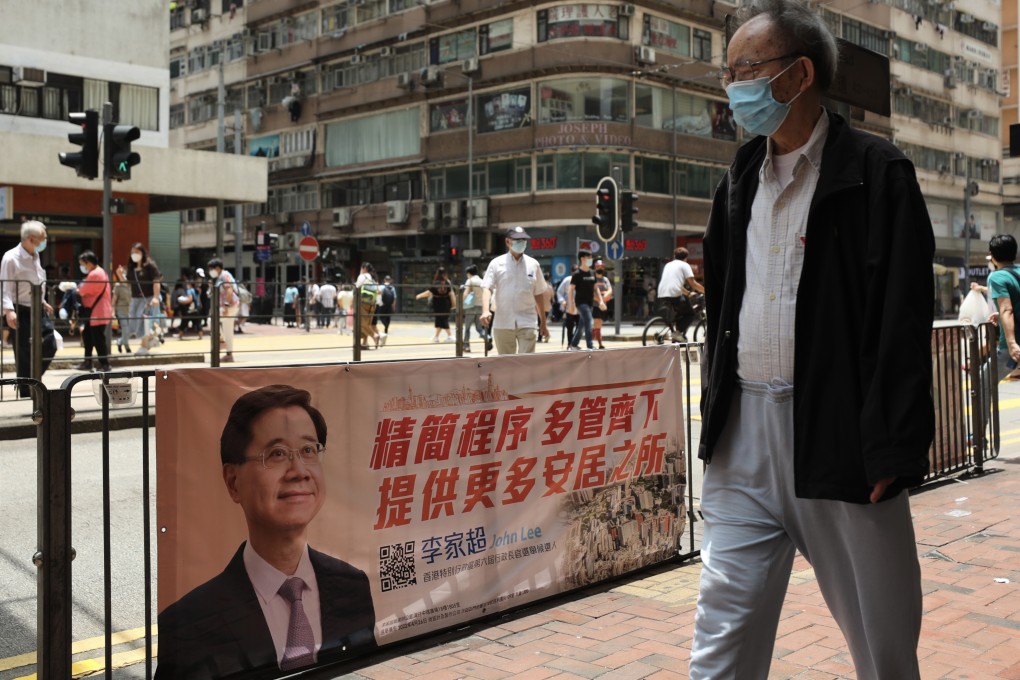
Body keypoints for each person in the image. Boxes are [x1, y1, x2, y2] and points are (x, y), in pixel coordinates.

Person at [692, 2, 935, 678]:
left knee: (882, 647)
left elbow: (903, 319)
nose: (734, 85)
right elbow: (722, 309)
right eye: (728, 72)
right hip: (744, 442)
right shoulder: (738, 180)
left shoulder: (877, 174)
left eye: (746, 69)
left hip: (840, 441)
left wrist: (892, 444)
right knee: (721, 641)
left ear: (799, 75)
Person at [154, 384, 376, 679]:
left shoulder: (353, 585)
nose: (299, 470)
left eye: (309, 450)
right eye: (276, 454)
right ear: (233, 482)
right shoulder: (189, 621)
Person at [1, 220, 56, 397]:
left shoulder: (35, 256)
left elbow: (37, 283)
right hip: (20, 309)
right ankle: (26, 390)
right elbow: (6, 287)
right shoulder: (11, 258)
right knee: (23, 352)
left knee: (50, 342)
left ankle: (33, 378)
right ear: (32, 239)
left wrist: (43, 301)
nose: (45, 241)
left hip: (37, 308)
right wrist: (8, 311)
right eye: (43, 238)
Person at [480, 226, 549, 354]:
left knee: (526, 363)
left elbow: (538, 293)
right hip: (503, 322)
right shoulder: (496, 263)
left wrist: (543, 322)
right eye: (517, 239)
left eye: (523, 239)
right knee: (506, 364)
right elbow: (487, 287)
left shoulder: (533, 264)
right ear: (507, 242)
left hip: (527, 322)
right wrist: (485, 311)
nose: (521, 242)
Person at [985, 234, 1020, 382]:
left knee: (983, 383)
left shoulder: (996, 277)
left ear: (993, 255)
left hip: (1014, 345)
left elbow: (1007, 309)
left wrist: (1012, 344)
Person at [74, 251, 113, 372]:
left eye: (83, 264)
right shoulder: (98, 272)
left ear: (89, 263)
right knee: (88, 336)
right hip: (96, 312)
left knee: (98, 339)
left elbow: (82, 290)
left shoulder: (95, 274)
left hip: (97, 312)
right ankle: (88, 361)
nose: (83, 267)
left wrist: (74, 289)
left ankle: (104, 364)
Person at [656, 247, 704, 341]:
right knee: (690, 314)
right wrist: (706, 291)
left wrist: (688, 293)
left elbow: (675, 284)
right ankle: (677, 333)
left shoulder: (668, 265)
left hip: (662, 293)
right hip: (674, 294)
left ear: (674, 256)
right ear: (686, 257)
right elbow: (693, 283)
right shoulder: (684, 265)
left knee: (681, 312)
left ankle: (676, 334)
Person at [567, 250, 605, 351]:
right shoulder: (577, 274)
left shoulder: (592, 273)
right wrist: (571, 304)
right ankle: (590, 345)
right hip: (581, 303)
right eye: (589, 258)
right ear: (582, 259)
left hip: (590, 303)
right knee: (589, 320)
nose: (590, 260)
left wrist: (601, 301)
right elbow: (570, 290)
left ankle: (574, 345)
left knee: (582, 325)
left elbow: (596, 288)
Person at [126, 243, 162, 342]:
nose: (134, 254)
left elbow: (156, 281)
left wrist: (155, 297)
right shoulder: (131, 268)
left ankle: (148, 340)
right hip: (135, 299)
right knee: (134, 318)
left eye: (136, 252)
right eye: (132, 252)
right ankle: (146, 339)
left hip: (148, 298)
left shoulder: (150, 265)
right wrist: (120, 275)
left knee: (144, 320)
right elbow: (127, 283)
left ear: (143, 253)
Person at [207, 258, 240, 363]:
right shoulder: (221, 276)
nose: (210, 271)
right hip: (232, 305)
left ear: (217, 268)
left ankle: (221, 342)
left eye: (211, 269)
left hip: (228, 306)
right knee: (228, 330)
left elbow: (229, 290)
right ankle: (229, 355)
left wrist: (226, 306)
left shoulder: (224, 275)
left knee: (211, 321)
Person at [416, 267, 457, 343]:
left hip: (438, 304)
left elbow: (429, 292)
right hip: (446, 303)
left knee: (442, 320)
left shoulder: (436, 283)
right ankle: (436, 337)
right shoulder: (447, 282)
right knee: (440, 320)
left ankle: (450, 336)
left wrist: (419, 295)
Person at [355, 263, 381, 349]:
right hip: (372, 304)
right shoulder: (374, 278)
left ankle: (374, 335)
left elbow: (357, 288)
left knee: (361, 323)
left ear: (364, 268)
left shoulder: (362, 276)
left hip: (362, 302)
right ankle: (364, 343)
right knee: (367, 323)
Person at [462, 265, 485, 352]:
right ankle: (487, 337)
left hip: (471, 306)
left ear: (469, 273)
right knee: (479, 328)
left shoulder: (470, 280)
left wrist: (461, 303)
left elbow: (465, 293)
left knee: (467, 328)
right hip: (480, 306)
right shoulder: (482, 281)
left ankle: (466, 346)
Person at [556, 264, 578, 347]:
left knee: (579, 326)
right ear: (572, 272)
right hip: (569, 307)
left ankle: (574, 342)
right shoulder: (567, 280)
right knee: (570, 326)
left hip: (578, 307)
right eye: (575, 272)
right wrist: (562, 301)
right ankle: (570, 343)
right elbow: (559, 292)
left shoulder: (580, 280)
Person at [592, 262, 613, 349]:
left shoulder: (605, 279)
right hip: (595, 306)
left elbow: (610, 290)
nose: (600, 268)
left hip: (603, 306)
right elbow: (592, 293)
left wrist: (602, 299)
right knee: (597, 324)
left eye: (601, 267)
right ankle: (599, 344)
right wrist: (600, 300)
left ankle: (591, 342)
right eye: (598, 267)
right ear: (595, 268)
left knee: (598, 325)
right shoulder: (593, 279)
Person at [112, 265, 133, 353]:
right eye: (123, 273)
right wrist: (112, 312)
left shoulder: (130, 284)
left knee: (131, 331)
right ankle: (127, 346)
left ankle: (120, 341)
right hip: (121, 310)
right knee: (125, 328)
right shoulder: (117, 286)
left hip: (130, 310)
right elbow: (114, 300)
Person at [377, 275, 397, 344]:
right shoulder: (392, 288)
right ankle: (386, 329)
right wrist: (393, 306)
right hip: (389, 305)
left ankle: (385, 325)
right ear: (390, 280)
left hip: (382, 304)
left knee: (381, 316)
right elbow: (394, 298)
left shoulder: (381, 286)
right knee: (388, 317)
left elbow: (378, 295)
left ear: (384, 280)